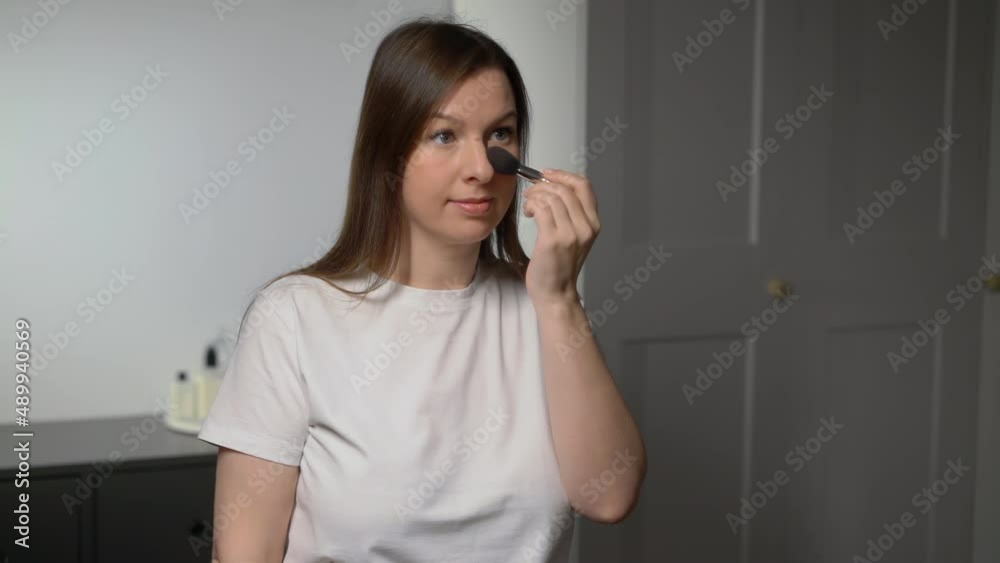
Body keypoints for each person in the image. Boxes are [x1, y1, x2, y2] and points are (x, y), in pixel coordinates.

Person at [197, 16, 646, 563]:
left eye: (500, 134)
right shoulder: (292, 318)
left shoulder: (545, 309)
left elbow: (608, 496)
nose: (481, 168)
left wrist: (560, 300)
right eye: (444, 135)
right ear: (387, 152)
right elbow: (245, 553)